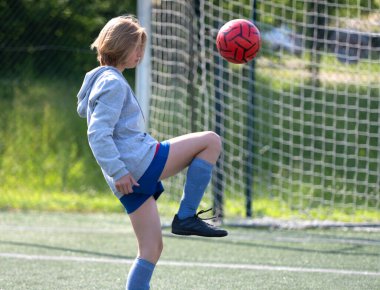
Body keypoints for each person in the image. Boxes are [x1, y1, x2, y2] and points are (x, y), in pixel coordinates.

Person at [77, 15, 228, 289]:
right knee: (211, 141)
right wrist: (119, 169)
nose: (140, 53)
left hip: (126, 178)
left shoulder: (104, 80)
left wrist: (119, 173)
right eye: (136, 47)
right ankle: (186, 216)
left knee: (150, 249)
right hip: (138, 164)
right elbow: (98, 134)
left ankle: (185, 219)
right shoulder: (112, 82)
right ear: (120, 46)